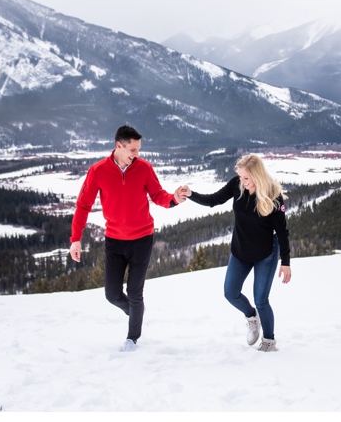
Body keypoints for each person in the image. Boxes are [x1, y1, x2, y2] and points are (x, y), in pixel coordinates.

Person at [69, 125, 188, 352]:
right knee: (112, 294)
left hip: (142, 239)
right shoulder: (98, 171)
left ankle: (132, 338)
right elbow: (83, 205)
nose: (137, 154)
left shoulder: (143, 168)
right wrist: (76, 239)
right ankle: (135, 311)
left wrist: (173, 199)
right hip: (114, 241)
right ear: (118, 146)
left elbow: (157, 195)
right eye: (133, 150)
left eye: (139, 149)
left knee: (135, 293)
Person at [182, 153, 291, 352]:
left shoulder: (273, 195)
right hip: (241, 250)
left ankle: (269, 342)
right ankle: (251, 317)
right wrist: (191, 194)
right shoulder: (237, 185)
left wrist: (286, 261)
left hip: (266, 253)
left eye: (246, 178)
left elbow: (282, 231)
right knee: (230, 293)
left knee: (261, 300)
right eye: (240, 177)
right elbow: (214, 200)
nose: (242, 181)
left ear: (257, 175)